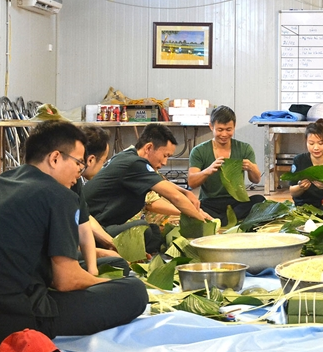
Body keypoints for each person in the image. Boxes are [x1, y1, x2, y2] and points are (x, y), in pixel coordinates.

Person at [0, 121, 147, 348]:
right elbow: (66, 281)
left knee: (114, 263)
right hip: (3, 321)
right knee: (133, 291)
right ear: (55, 158)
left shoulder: (1, 183)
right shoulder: (59, 195)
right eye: (78, 163)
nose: (79, 171)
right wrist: (102, 284)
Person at [84, 123, 211, 254]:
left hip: (100, 226)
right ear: (149, 147)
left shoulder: (128, 156)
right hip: (92, 229)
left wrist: (186, 192)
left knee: (154, 233)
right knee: (142, 228)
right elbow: (175, 197)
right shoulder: (135, 164)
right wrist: (204, 224)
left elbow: (161, 182)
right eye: (165, 155)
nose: (165, 162)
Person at [188, 106, 265, 223]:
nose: (224, 134)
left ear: (234, 127)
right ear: (211, 127)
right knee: (192, 206)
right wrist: (207, 171)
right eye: (220, 130)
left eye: (229, 129)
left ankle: (221, 220)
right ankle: (230, 219)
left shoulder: (244, 148)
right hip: (210, 202)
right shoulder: (199, 151)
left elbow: (256, 180)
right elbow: (192, 182)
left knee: (260, 200)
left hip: (236, 201)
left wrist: (251, 168)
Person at [73, 125, 126, 275]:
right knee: (119, 266)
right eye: (103, 161)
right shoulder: (59, 185)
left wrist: (110, 244)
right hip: (53, 262)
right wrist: (100, 253)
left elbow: (84, 219)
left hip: (71, 248)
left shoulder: (74, 180)